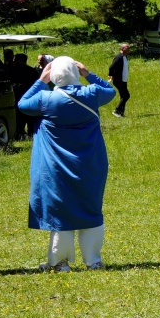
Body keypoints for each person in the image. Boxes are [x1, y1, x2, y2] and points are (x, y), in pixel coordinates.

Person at [19, 56, 116, 271]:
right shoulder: (91, 94)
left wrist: (41, 81)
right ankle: (93, 260)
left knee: (60, 213)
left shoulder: (45, 99)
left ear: (53, 76)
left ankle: (60, 263)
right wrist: (88, 73)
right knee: (91, 209)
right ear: (75, 72)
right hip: (90, 163)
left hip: (56, 167)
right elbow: (111, 92)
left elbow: (23, 104)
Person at [107, 44, 131, 117]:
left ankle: (121, 113)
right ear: (123, 48)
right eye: (127, 48)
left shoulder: (124, 57)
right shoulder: (119, 57)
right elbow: (111, 67)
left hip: (123, 80)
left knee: (123, 96)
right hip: (119, 80)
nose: (129, 50)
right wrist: (111, 76)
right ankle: (117, 111)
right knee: (126, 96)